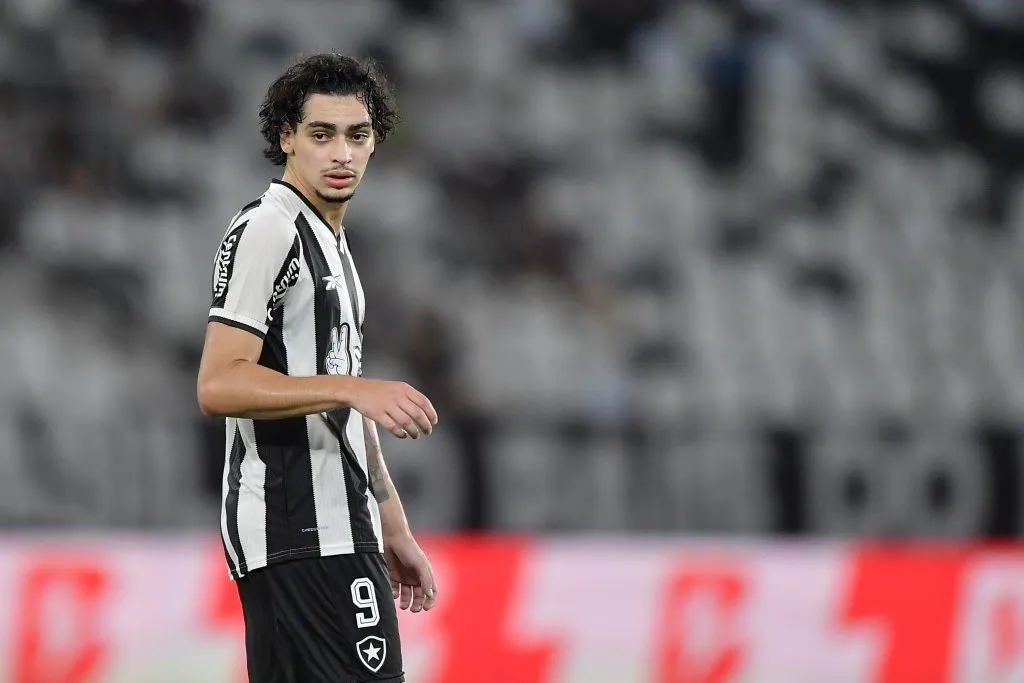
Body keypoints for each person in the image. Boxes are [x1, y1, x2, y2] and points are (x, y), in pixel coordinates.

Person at [196, 53, 438, 683]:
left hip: (337, 528)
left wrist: (390, 522)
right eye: (321, 134)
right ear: (286, 138)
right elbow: (219, 383)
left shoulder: (330, 242)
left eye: (357, 136)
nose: (342, 154)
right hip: (297, 529)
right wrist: (354, 388)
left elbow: (338, 401)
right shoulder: (267, 229)